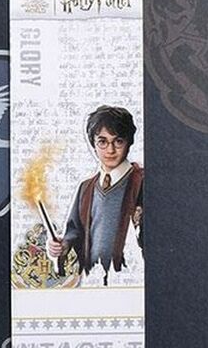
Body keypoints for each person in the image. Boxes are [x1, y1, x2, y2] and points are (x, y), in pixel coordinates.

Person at [48, 106, 143, 284]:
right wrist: (62, 245)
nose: (110, 150)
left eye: (118, 141)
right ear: (93, 144)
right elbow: (74, 231)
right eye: (102, 142)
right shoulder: (86, 188)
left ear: (129, 142)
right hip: (93, 280)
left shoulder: (142, 182)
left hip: (130, 280)